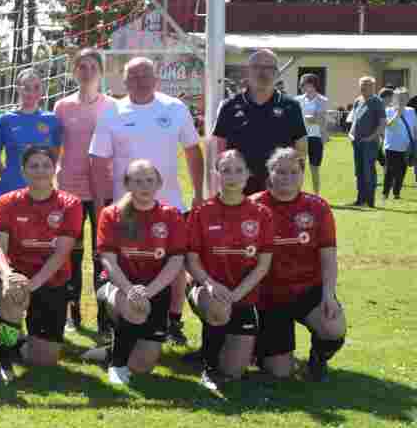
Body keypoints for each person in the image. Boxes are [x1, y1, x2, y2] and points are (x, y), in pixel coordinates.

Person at [89, 56, 204, 343]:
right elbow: (97, 161)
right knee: (122, 263)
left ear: (157, 79)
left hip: (171, 206)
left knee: (175, 265)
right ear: (124, 81)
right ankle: (114, 318)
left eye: (146, 75)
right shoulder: (112, 112)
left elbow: (193, 151)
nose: (140, 81)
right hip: (124, 208)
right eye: (133, 76)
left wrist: (200, 193)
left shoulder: (174, 108)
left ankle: (174, 321)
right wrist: (102, 205)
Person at [80, 160, 188, 387]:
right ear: (127, 184)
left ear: (159, 183)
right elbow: (108, 260)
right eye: (137, 181)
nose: (144, 186)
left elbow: (176, 260)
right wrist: (130, 289)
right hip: (117, 287)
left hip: (155, 289)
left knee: (142, 366)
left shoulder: (171, 215)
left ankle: (109, 352)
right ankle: (117, 365)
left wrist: (149, 291)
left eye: (150, 180)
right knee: (134, 307)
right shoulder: (112, 214)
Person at [0, 146, 84, 384]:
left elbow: (62, 253)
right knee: (14, 294)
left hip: (51, 279)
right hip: (16, 275)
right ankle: (4, 360)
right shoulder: (7, 201)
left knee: (44, 360)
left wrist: (34, 284)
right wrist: (9, 275)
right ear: (23, 171)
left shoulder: (70, 204)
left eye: (46, 165)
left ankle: (14, 338)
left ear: (54, 169)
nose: (40, 170)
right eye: (33, 165)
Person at [185, 150, 276, 391]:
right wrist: (210, 284)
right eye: (226, 170)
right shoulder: (202, 212)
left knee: (234, 371)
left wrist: (236, 295)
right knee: (218, 308)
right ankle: (208, 368)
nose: (232, 176)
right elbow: (191, 260)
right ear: (216, 174)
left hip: (244, 294)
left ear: (248, 174)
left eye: (238, 170)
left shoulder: (261, 214)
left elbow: (263, 265)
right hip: (206, 288)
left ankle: (220, 347)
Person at [254, 148, 346, 382]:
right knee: (280, 372)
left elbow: (328, 258)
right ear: (269, 174)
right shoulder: (253, 206)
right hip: (269, 296)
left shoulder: (318, 207)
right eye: (281, 171)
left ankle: (318, 358)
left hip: (307, 289)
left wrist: (329, 295)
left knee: (333, 328)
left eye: (294, 172)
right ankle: (261, 349)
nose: (287, 177)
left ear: (302, 174)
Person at [53, 49, 115, 337]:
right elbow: (54, 149)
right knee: (71, 255)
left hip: (104, 192)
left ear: (100, 71)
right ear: (74, 71)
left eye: (92, 66)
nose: (86, 71)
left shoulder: (113, 106)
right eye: (81, 66)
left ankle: (106, 319)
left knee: (103, 256)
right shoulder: (62, 107)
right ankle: (71, 314)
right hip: (71, 192)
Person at [211, 48, 307, 196]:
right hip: (239, 191)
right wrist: (217, 186)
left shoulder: (291, 106)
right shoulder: (230, 106)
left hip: (279, 189)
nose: (262, 72)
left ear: (276, 72)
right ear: (248, 71)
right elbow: (218, 150)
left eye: (269, 68)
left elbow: (300, 149)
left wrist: (297, 182)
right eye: (257, 67)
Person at [0, 67, 63, 199]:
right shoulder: (5, 120)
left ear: (42, 91)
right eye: (26, 88)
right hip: (10, 190)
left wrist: (43, 176)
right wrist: (9, 176)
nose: (31, 92)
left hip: (41, 191)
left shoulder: (52, 121)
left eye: (36, 87)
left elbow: (55, 155)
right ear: (18, 89)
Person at [347, 75, 385, 207]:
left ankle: (370, 201)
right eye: (362, 85)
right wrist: (351, 134)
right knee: (359, 171)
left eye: (366, 85)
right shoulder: (358, 101)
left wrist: (371, 138)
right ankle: (360, 199)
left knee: (368, 170)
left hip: (370, 143)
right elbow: (355, 120)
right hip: (357, 142)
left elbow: (382, 124)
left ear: (373, 87)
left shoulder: (377, 102)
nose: (363, 88)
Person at [296, 73, 330, 195]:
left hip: (316, 137)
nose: (301, 87)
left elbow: (321, 119)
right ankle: (297, 193)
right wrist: (313, 118)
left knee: (314, 168)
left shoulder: (322, 100)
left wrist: (315, 120)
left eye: (304, 84)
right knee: (299, 167)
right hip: (301, 137)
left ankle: (316, 195)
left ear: (312, 85)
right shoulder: (297, 100)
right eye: (301, 84)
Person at [382, 90, 416, 201]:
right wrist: (397, 115)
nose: (401, 100)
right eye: (399, 98)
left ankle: (396, 193)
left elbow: (414, 128)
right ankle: (385, 193)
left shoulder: (411, 111)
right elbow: (387, 125)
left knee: (402, 171)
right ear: (394, 99)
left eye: (404, 98)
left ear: (407, 99)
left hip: (406, 147)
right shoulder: (388, 111)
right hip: (391, 146)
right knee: (389, 171)